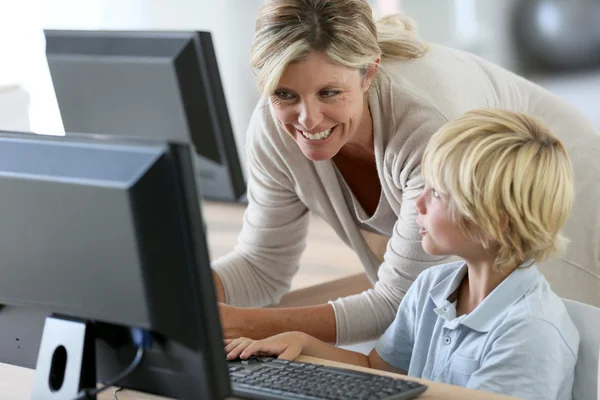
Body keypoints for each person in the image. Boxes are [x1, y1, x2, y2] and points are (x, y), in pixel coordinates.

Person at [212, 0, 600, 345]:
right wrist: (183, 298)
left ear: (368, 74)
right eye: (284, 94)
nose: (307, 119)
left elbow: (399, 302)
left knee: (551, 349)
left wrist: (246, 324)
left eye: (329, 93)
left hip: (556, 190)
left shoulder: (428, 126)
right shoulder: (273, 127)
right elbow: (262, 264)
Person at [224, 109, 580, 400]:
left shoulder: (531, 332)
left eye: (438, 194)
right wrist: (302, 343)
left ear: (494, 223)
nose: (419, 204)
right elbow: (380, 370)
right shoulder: (433, 285)